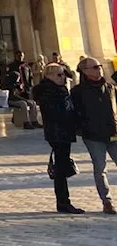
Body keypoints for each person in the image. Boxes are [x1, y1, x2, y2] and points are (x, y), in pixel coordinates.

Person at [70, 57, 118, 214]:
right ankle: (107, 201)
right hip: (93, 136)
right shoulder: (78, 92)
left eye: (100, 66)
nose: (99, 69)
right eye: (95, 67)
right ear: (85, 71)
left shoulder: (110, 87)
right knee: (100, 168)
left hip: (114, 133)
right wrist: (82, 129)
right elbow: (74, 114)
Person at [34, 63, 84, 214]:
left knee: (62, 166)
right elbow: (57, 112)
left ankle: (63, 201)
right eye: (59, 75)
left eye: (63, 75)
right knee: (61, 169)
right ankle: (63, 202)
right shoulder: (48, 91)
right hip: (58, 132)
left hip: (64, 131)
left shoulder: (59, 89)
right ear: (48, 76)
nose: (63, 78)